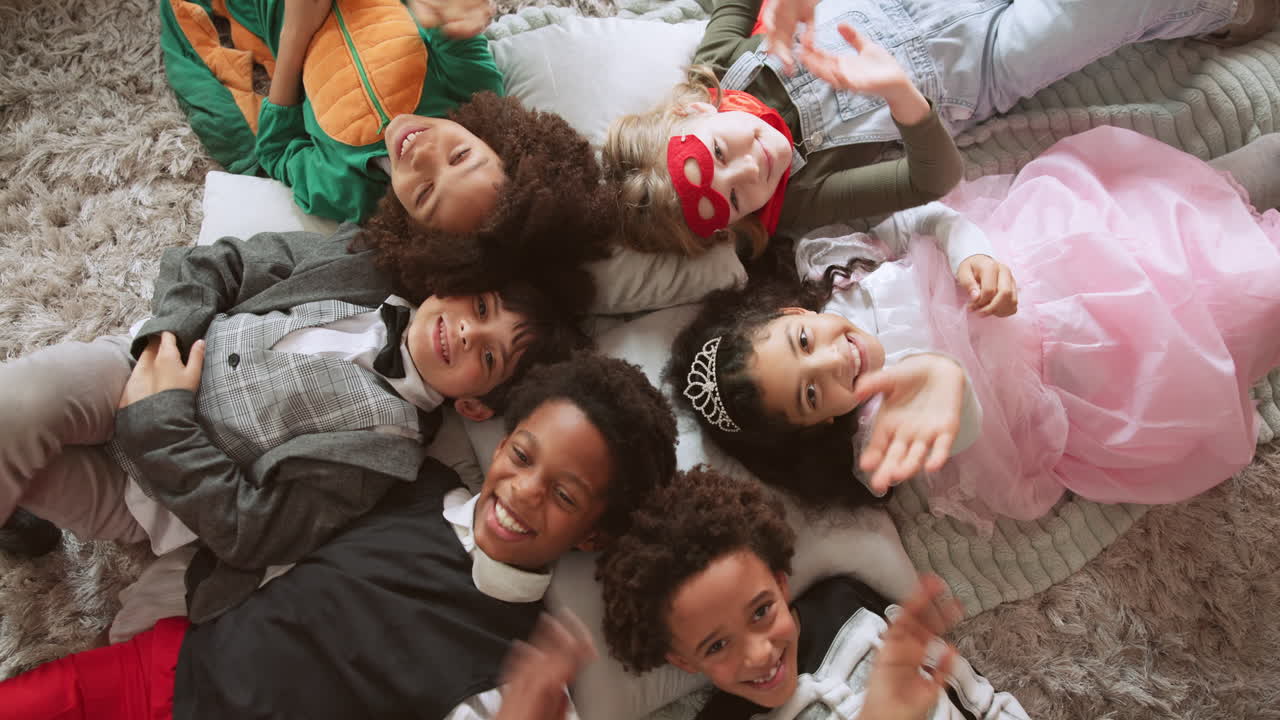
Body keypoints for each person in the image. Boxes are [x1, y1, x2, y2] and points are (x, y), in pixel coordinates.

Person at [0, 353, 679, 720]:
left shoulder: (520, 669)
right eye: (523, 456)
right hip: (171, 676)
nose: (525, 491)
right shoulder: (411, 477)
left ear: (595, 533)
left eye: (564, 495)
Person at [668, 126, 1280, 529]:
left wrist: (970, 255)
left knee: (1170, 212)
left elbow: (927, 219)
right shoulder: (879, 433)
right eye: (811, 393)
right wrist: (941, 385)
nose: (833, 363)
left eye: (803, 343)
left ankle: (1244, 178)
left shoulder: (833, 269)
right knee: (1243, 297)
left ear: (794, 314)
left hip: (1044, 257)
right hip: (1079, 366)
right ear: (820, 424)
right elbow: (964, 426)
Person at [0, 222, 593, 620]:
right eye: (481, 308)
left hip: (144, 496)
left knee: (30, 468)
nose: (467, 331)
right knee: (13, 407)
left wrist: (164, 420)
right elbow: (220, 263)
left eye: (488, 356)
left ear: (474, 406)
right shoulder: (362, 262)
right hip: (134, 364)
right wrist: (167, 343)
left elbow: (252, 529)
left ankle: (24, 510)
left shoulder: (384, 452)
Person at [603, 0, 1271, 257]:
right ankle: (1232, 12)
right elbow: (935, 176)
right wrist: (898, 94)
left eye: (722, 150)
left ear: (695, 111)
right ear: (744, 223)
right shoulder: (803, 201)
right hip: (986, 62)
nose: (754, 168)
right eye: (740, 195)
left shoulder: (720, 68)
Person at [162, 0, 616, 292]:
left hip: (276, 15)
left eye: (424, 193)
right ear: (495, 144)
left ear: (407, 226)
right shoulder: (474, 88)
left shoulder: (345, 189)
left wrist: (295, 34)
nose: (422, 156)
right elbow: (439, 14)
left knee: (229, 129)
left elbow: (276, 152)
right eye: (459, 156)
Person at [599, 466, 1030, 719]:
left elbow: (983, 701)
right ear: (682, 659)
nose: (758, 654)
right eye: (717, 645)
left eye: (761, 611)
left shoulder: (847, 604)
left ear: (781, 582)